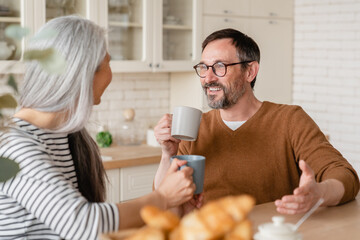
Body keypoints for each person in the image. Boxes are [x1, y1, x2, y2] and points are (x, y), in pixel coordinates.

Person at [0, 16, 196, 239]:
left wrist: (172, 203)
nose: (110, 74)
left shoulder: (63, 135)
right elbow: (83, 223)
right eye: (107, 64)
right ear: (82, 74)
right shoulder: (14, 146)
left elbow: (94, 220)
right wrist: (163, 198)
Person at [153, 28, 359, 215]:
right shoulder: (195, 128)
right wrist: (167, 155)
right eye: (203, 67)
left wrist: (318, 194)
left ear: (250, 71)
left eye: (219, 66)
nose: (207, 78)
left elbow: (346, 176)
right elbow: (165, 202)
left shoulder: (289, 120)